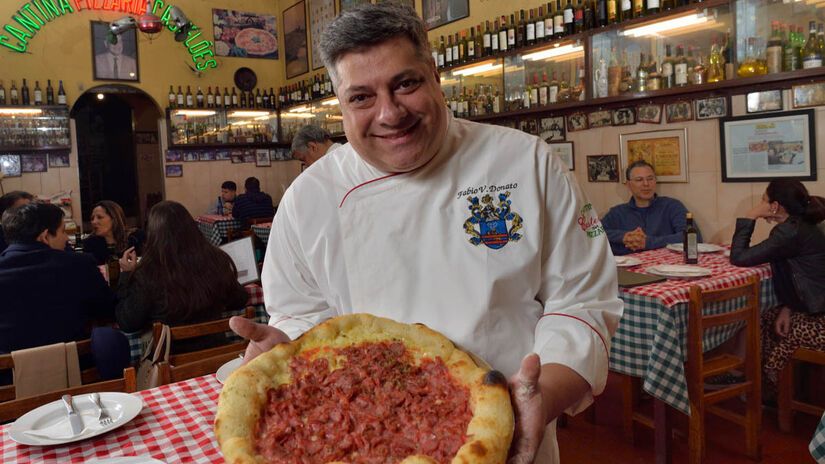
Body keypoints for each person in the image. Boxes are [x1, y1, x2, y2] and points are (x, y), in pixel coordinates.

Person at [228, 4, 622, 462]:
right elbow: (301, 318)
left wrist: (541, 399)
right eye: (361, 97)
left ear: (434, 74)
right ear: (339, 102)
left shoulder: (527, 163)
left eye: (405, 84)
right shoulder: (307, 200)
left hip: (507, 438)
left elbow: (583, 303)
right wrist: (288, 350)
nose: (390, 113)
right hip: (358, 443)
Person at [728, 180, 825, 390]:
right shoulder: (803, 225)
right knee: (764, 315)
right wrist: (787, 308)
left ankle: (763, 387)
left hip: (819, 318)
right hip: (812, 307)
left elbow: (738, 257)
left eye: (764, 200)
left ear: (775, 205)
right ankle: (767, 388)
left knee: (757, 318)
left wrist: (750, 216)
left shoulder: (789, 232)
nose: (761, 204)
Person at [115, 201, 248, 353]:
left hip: (170, 364)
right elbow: (240, 299)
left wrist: (126, 275)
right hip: (216, 357)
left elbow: (128, 322)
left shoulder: (148, 273)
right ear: (192, 228)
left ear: (153, 235)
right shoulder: (215, 260)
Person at [0, 202, 116, 354]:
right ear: (45, 236)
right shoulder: (78, 265)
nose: (67, 239)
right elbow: (107, 310)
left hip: (10, 374)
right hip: (74, 368)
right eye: (63, 232)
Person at [601, 160, 701, 255]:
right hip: (626, 269)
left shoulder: (672, 206)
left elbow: (694, 237)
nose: (646, 184)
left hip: (667, 267)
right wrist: (624, 237)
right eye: (639, 180)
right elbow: (592, 235)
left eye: (650, 178)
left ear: (655, 181)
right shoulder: (617, 212)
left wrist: (648, 242)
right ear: (628, 185)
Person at [82, 200, 145, 265]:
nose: (94, 222)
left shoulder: (136, 237)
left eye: (99, 217)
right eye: (92, 218)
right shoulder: (88, 245)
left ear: (114, 219)